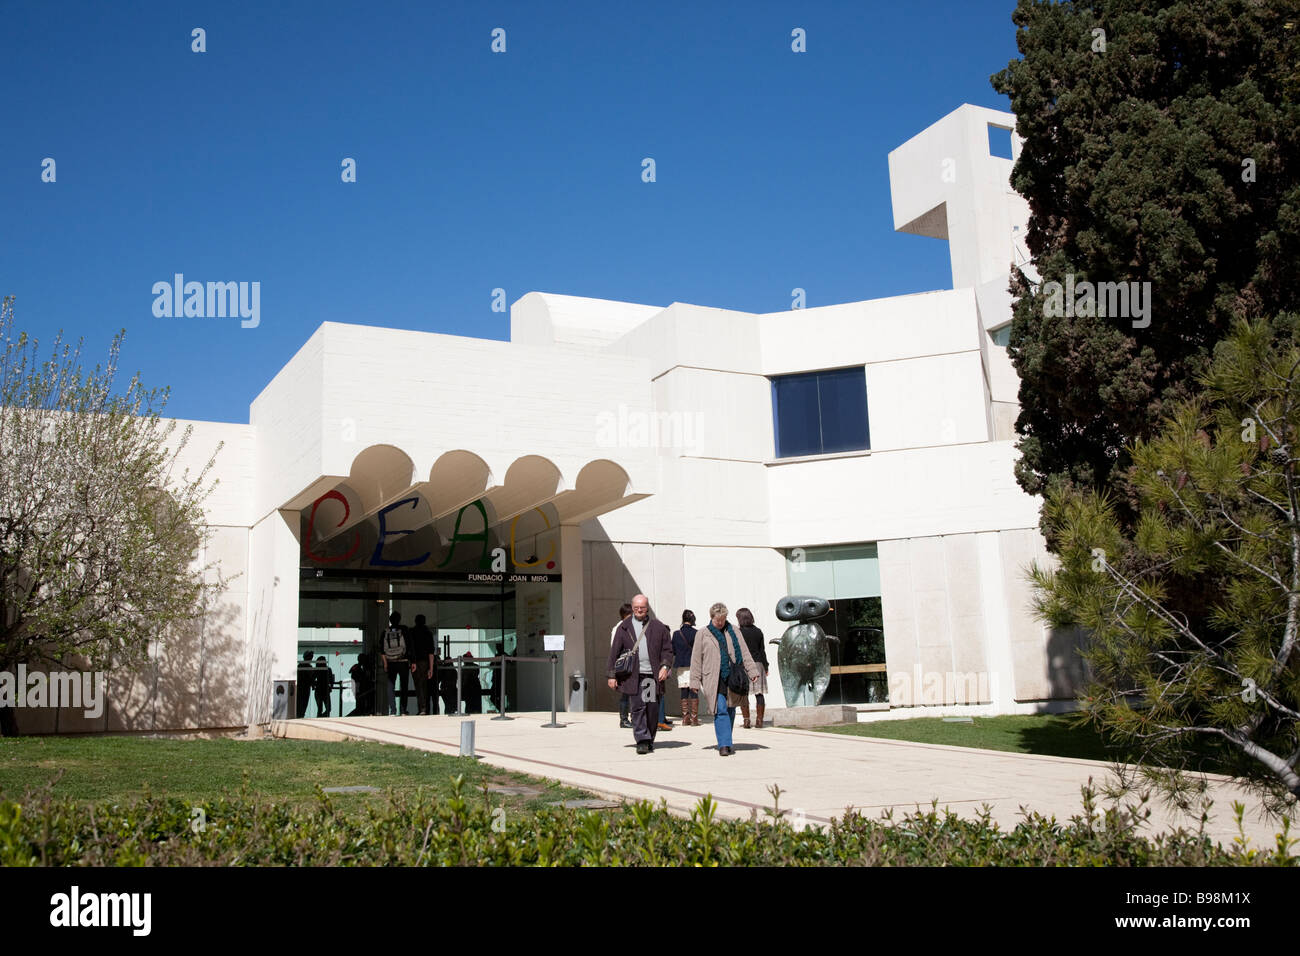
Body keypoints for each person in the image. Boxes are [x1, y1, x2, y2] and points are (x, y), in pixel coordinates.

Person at [689, 602, 761, 756]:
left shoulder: (734, 630)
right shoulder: (702, 633)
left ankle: (726, 740)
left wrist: (752, 671)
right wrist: (694, 681)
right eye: (717, 620)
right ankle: (724, 745)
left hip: (733, 677)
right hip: (713, 678)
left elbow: (744, 652)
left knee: (730, 710)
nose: (720, 623)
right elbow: (696, 660)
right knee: (720, 709)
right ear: (711, 618)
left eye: (723, 619)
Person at [606, 594, 674, 755]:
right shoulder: (624, 627)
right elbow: (614, 652)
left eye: (642, 607)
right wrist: (611, 675)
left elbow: (667, 650)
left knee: (651, 708)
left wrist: (665, 666)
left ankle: (649, 737)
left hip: (651, 676)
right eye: (636, 607)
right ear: (632, 607)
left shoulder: (658, 627)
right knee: (637, 708)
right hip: (633, 676)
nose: (639, 610)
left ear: (647, 607)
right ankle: (642, 740)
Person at [736, 607, 770, 728]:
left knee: (743, 694)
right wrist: (766, 666)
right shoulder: (758, 631)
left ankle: (746, 720)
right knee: (759, 694)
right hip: (758, 663)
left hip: (744, 665)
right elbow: (762, 651)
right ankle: (760, 720)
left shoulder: (738, 633)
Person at [379, 611, 410, 715]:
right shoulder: (404, 629)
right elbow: (410, 645)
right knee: (404, 686)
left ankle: (392, 710)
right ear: (399, 619)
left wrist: (385, 664)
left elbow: (382, 650)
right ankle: (403, 710)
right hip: (403, 661)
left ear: (390, 620)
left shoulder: (385, 632)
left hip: (390, 662)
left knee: (390, 686)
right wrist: (413, 661)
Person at [671, 610, 698, 725]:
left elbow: (673, 650)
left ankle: (685, 717)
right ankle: (694, 718)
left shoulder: (677, 634)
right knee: (694, 689)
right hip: (694, 664)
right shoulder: (696, 633)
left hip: (681, 664)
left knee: (684, 690)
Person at [610, 603, 633, 729]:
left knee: (632, 692)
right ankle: (624, 719)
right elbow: (614, 648)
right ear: (625, 615)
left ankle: (632, 718)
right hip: (624, 664)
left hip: (629, 662)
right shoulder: (619, 628)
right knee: (625, 692)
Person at [409, 614, 436, 716]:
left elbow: (410, 649)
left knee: (418, 686)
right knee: (423, 686)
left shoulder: (411, 632)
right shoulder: (428, 633)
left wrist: (412, 662)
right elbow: (431, 652)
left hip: (415, 662)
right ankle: (423, 709)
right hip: (425, 662)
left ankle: (421, 708)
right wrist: (431, 668)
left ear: (415, 621)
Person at [296, 651, 315, 718]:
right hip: (303, 688)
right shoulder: (305, 667)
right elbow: (310, 678)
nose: (311, 659)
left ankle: (300, 716)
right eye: (310, 657)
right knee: (302, 704)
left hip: (303, 688)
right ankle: (300, 716)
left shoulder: (301, 666)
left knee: (302, 704)